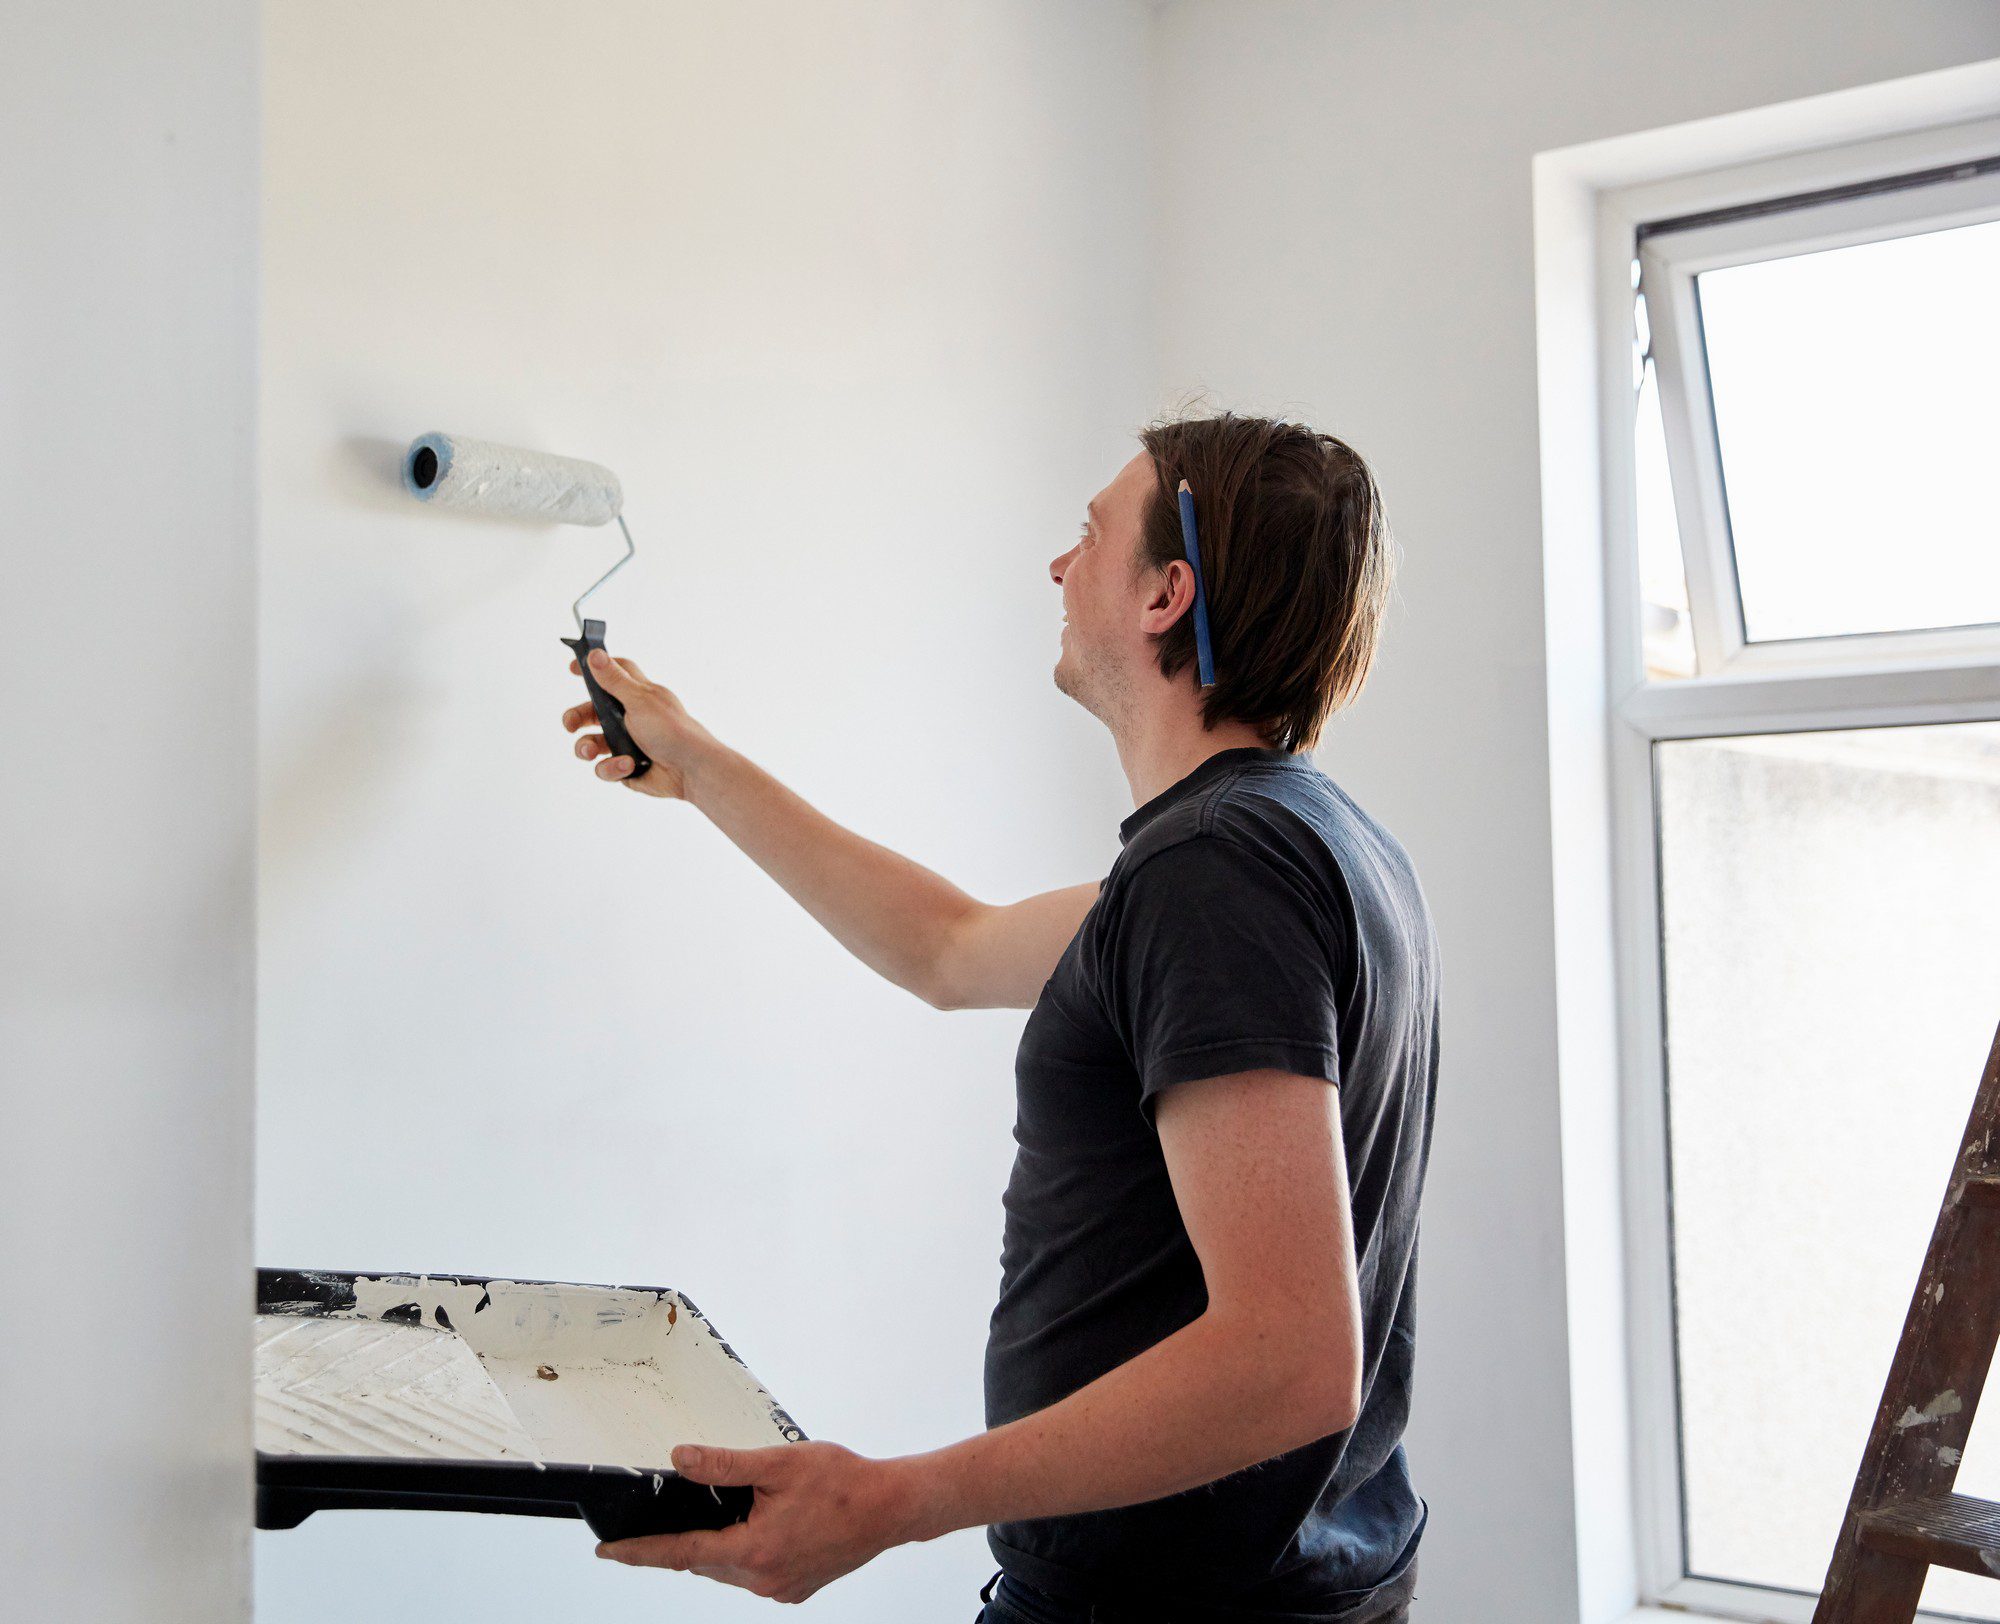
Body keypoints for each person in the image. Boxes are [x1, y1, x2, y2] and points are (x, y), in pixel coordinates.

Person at [568, 412, 1438, 1622]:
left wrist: (893, 1500)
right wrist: (699, 762)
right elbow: (947, 946)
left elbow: (1290, 1359)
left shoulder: (1219, 877)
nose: (1058, 564)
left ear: (1162, 594)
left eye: (1089, 533)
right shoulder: (1295, 845)